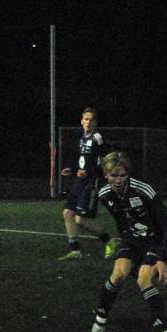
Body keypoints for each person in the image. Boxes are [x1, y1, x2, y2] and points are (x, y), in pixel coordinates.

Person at [90, 151, 167, 332]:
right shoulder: (105, 195)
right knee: (118, 275)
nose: (118, 180)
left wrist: (162, 259)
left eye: (123, 175)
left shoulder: (143, 190)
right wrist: (128, 248)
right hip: (131, 240)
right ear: (106, 175)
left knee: (143, 279)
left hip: (154, 240)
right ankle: (98, 326)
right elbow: (121, 221)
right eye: (114, 175)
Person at [59, 107, 117, 260]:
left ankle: (110, 241)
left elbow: (106, 162)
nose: (88, 122)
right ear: (81, 121)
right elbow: (84, 160)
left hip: (92, 182)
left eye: (91, 119)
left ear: (95, 123)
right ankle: (75, 251)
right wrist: (73, 169)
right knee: (68, 213)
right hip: (81, 180)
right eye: (86, 119)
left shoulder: (97, 138)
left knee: (81, 219)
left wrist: (89, 172)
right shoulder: (83, 138)